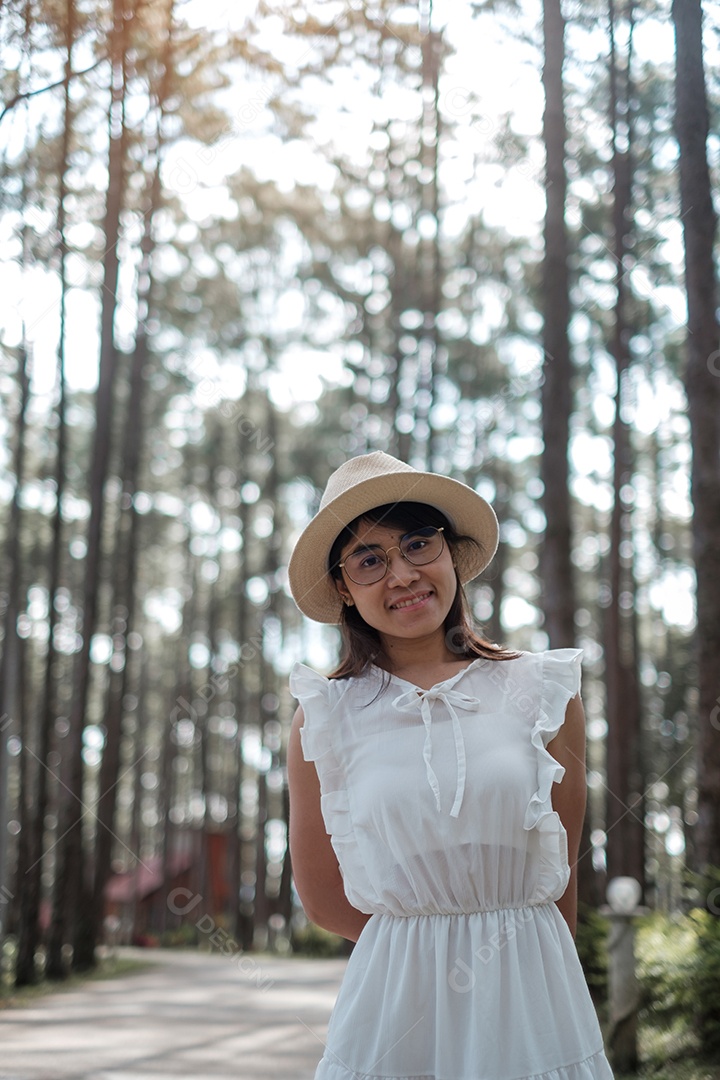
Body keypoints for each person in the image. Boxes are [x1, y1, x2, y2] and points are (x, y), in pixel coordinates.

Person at [287, 450, 614, 1080]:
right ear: (342, 588)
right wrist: (432, 947)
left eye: (417, 544)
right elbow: (324, 897)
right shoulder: (327, 714)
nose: (402, 575)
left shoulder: (544, 690)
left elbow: (561, 870)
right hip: (395, 1004)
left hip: (534, 995)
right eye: (369, 559)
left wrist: (512, 955)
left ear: (451, 553)